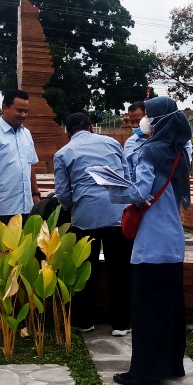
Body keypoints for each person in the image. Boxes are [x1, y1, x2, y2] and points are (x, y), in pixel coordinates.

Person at [106, 97, 191, 385]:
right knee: (170, 309)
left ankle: (143, 372)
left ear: (158, 121)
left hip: (152, 242)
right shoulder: (178, 150)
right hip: (173, 240)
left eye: (148, 115)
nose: (144, 120)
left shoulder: (149, 150)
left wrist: (111, 188)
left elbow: (140, 192)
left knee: (147, 311)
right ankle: (171, 365)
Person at [53, 112, 133, 337]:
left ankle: (85, 321)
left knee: (85, 270)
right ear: (91, 127)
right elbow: (126, 177)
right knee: (121, 269)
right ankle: (121, 324)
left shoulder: (63, 153)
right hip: (117, 214)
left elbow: (62, 193)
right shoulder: (113, 143)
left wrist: (75, 205)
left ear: (68, 133)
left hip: (85, 217)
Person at [0, 89, 41, 225]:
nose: (23, 115)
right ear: (5, 108)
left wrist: (35, 195)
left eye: (26, 111)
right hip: (0, 209)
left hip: (25, 208)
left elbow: (30, 165)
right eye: (19, 110)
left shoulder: (26, 134)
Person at [125, 99, 192, 179]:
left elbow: (184, 169)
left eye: (139, 121)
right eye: (132, 122)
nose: (135, 125)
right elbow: (128, 172)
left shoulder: (180, 141)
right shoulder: (130, 143)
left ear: (149, 117)